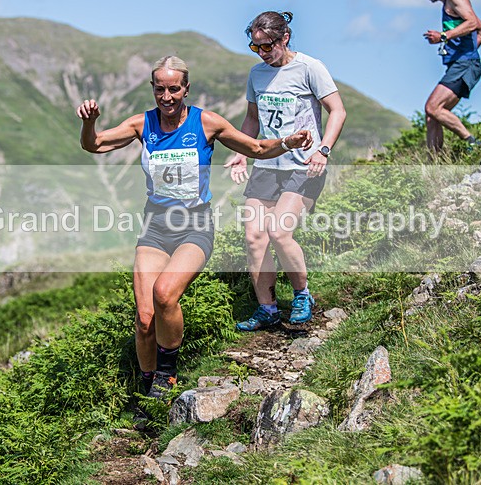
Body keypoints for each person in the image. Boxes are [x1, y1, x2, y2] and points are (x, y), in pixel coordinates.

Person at [77, 55, 312, 423]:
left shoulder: (208, 123)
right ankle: (147, 386)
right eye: (160, 88)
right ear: (153, 89)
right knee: (143, 318)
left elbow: (256, 148)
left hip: (194, 227)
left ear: (186, 88)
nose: (167, 96)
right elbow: (95, 145)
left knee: (165, 294)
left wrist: (287, 141)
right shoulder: (143, 124)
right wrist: (90, 124)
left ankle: (166, 378)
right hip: (155, 228)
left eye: (174, 88)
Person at [224, 11, 346, 332]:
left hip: (305, 165)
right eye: (255, 47)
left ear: (285, 38)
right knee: (254, 238)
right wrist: (241, 153)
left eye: (267, 46)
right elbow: (252, 120)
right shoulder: (257, 74)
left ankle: (302, 295)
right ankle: (267, 310)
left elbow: (337, 111)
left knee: (279, 232)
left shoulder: (310, 68)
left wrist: (324, 149)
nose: (262, 53)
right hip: (267, 164)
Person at [412, 0, 481, 153]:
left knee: (432, 107)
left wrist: (444, 37)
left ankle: (473, 143)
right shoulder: (447, 4)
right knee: (432, 115)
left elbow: (472, 23)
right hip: (462, 63)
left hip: (465, 64)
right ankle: (434, 164)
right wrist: (467, 51)